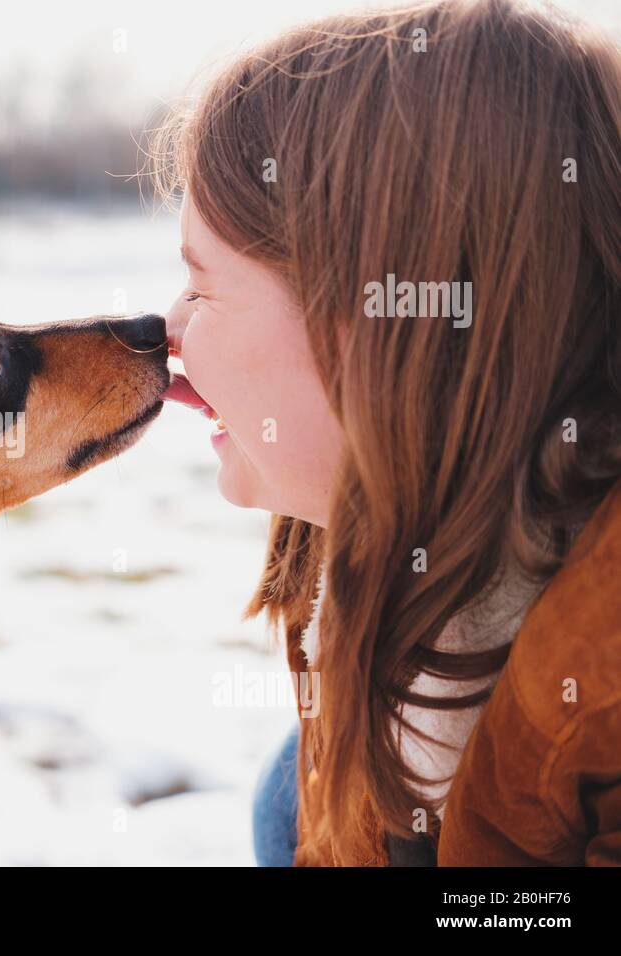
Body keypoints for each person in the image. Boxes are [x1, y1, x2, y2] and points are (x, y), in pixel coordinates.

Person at [155, 0, 621, 865]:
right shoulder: (372, 580)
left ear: (379, 323)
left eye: (202, 286)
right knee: (290, 794)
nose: (166, 331)